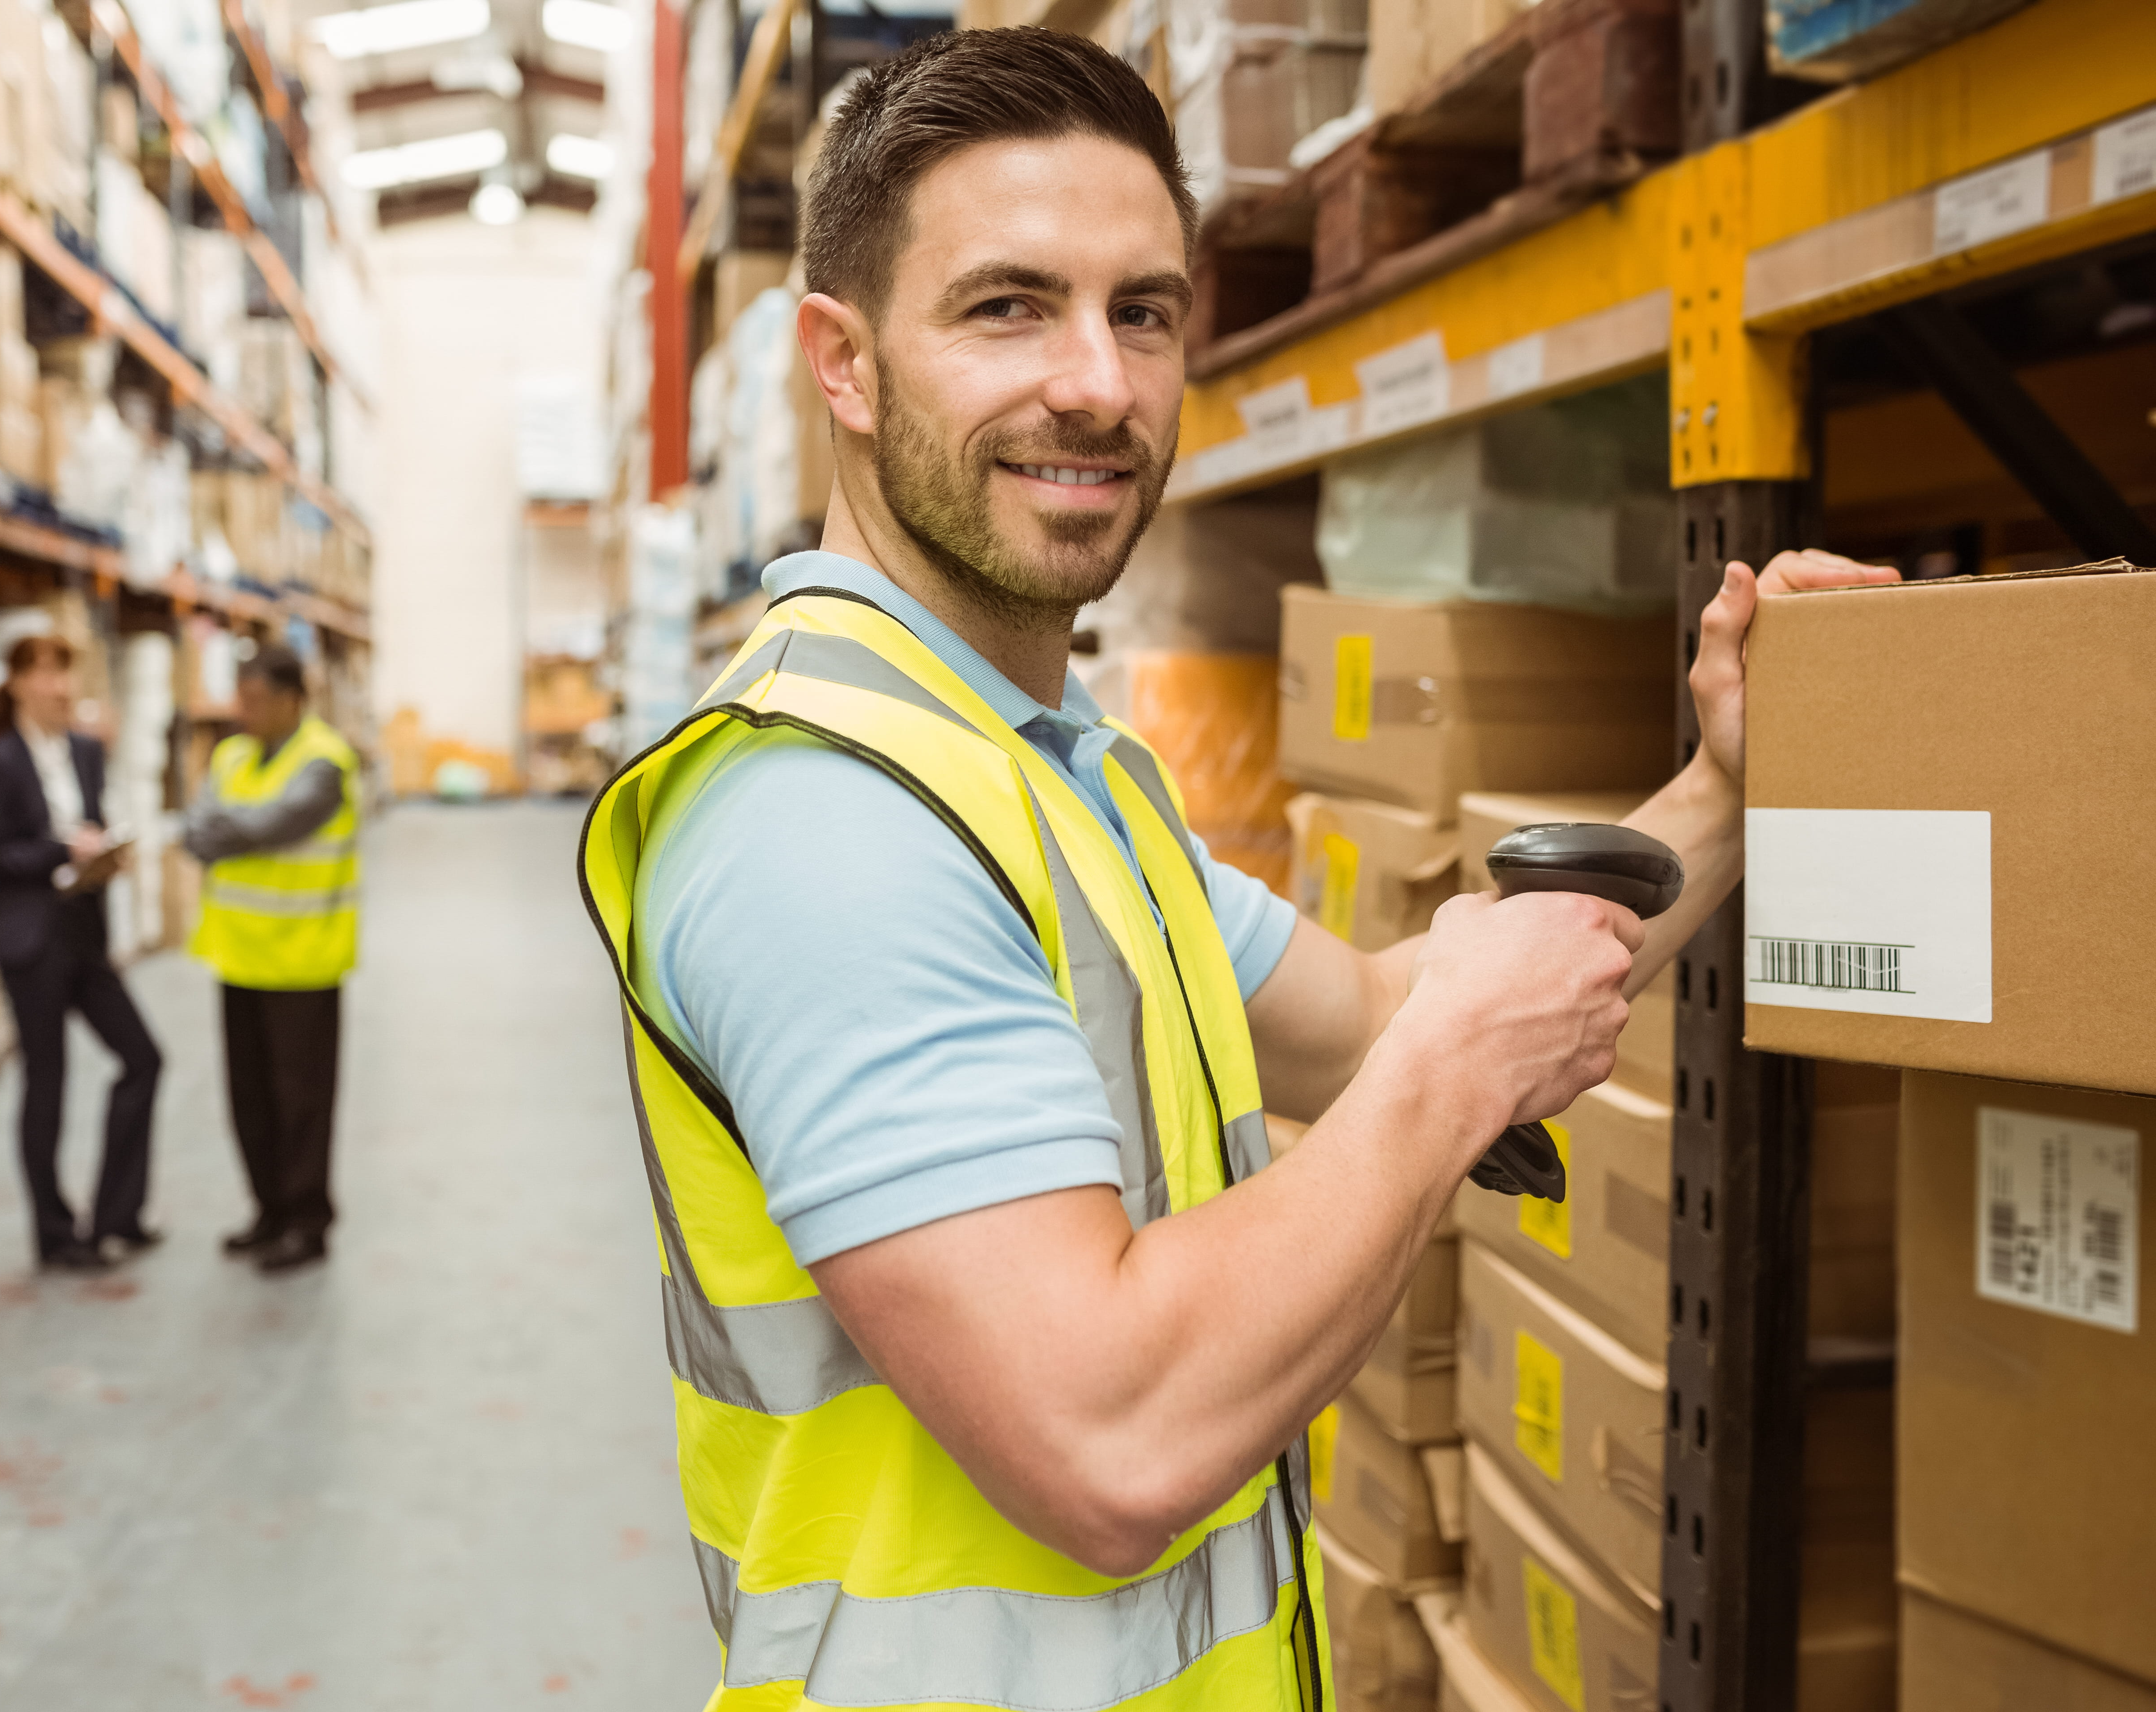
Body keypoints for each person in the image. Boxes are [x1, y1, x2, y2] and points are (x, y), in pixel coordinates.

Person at [576, 29, 1898, 1711]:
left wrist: (1724, 789)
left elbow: (1374, 1017)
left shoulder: (1054, 784)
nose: (1101, 386)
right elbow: (1108, 1441)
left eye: (1144, 311)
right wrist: (1452, 1078)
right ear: (842, 363)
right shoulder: (823, 822)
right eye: (1006, 307)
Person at [0, 634, 165, 1272]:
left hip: (84, 933)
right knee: (47, 1084)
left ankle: (118, 1216)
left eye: (66, 673)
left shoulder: (85, 751)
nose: (61, 687)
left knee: (143, 1058)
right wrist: (64, 850)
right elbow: (1, 858)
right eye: (47, 675)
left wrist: (104, 855)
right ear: (20, 683)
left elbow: (91, 823)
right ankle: (55, 1236)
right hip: (32, 942)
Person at [184, 642, 361, 1274]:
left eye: (257, 700)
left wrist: (226, 829)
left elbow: (272, 826)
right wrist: (225, 828)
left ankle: (307, 1222)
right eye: (241, 698)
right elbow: (195, 828)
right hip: (238, 957)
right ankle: (268, 1212)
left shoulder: (325, 762)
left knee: (302, 1103)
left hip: (303, 962)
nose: (244, 711)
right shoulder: (229, 754)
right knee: (250, 1099)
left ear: (292, 701)